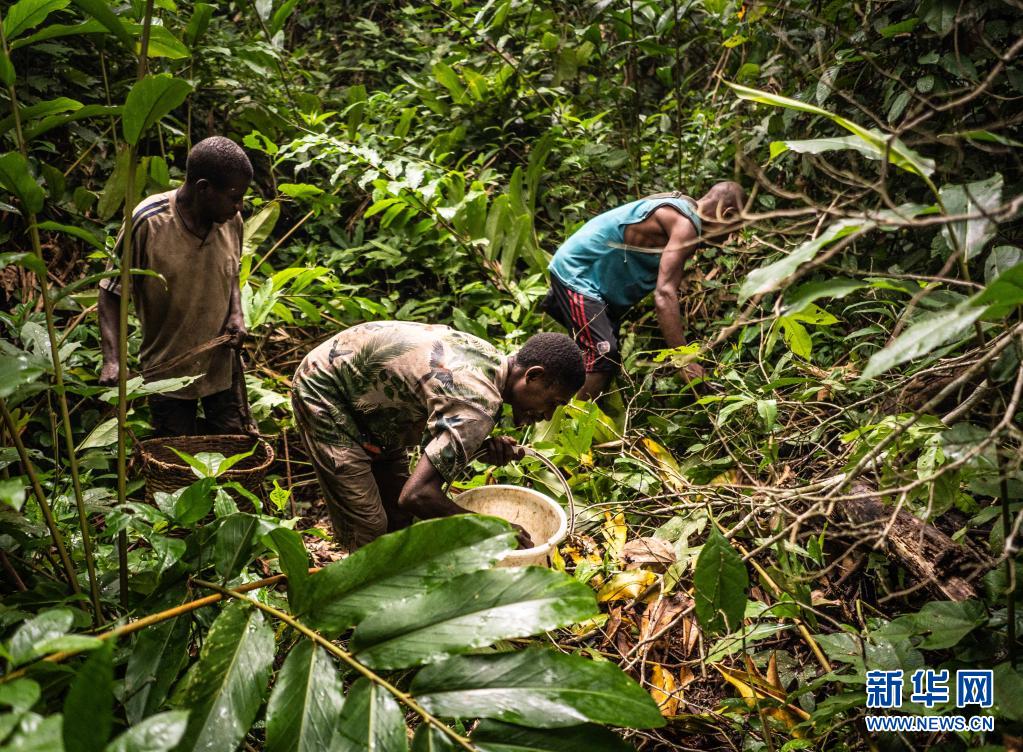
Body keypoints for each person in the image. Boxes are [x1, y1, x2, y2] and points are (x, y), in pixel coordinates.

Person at [291, 322, 585, 550]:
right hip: (325, 393)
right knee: (369, 528)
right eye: (553, 402)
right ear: (533, 376)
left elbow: (445, 421)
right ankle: (354, 605)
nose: (548, 415)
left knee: (399, 519)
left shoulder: (490, 362)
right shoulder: (477, 404)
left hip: (371, 406)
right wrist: (492, 530)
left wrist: (478, 446)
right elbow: (417, 495)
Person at [98, 136, 253, 437]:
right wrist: (113, 360)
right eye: (234, 197)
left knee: (236, 447)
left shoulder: (231, 221)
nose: (239, 206)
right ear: (203, 188)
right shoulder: (147, 222)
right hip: (167, 375)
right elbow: (110, 292)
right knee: (175, 456)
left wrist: (236, 313)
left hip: (222, 368)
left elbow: (231, 271)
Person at [543, 182, 746, 399]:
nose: (729, 238)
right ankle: (569, 419)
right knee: (603, 355)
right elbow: (664, 294)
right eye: (735, 228)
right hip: (578, 275)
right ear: (727, 214)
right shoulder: (685, 225)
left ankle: (549, 402)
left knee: (601, 362)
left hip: (593, 287)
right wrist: (684, 360)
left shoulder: (682, 210)